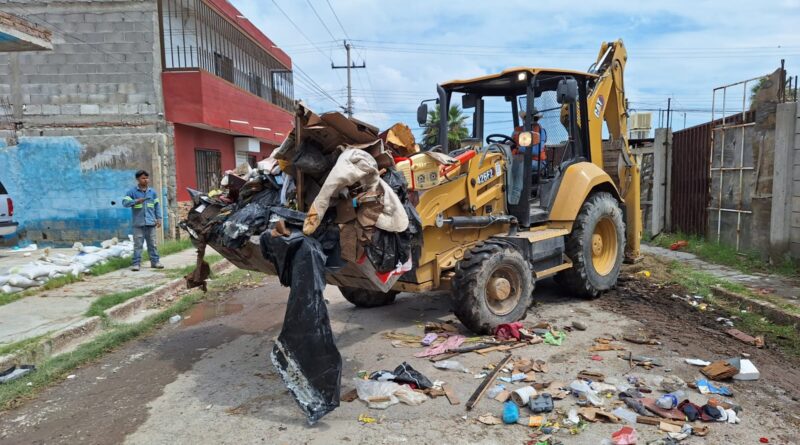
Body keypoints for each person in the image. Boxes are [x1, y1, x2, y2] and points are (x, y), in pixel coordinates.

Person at [122, 170, 164, 271]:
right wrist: (136, 201)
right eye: (143, 178)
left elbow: (157, 206)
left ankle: (155, 262)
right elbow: (124, 203)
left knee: (152, 244)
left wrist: (159, 218)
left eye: (147, 178)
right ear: (138, 179)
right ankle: (136, 264)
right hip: (138, 224)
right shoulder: (132, 192)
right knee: (138, 245)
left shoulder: (152, 192)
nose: (146, 180)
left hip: (151, 223)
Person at [509, 109, 548, 205]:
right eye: (527, 118)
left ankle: (515, 199)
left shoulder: (540, 132)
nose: (531, 120)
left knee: (520, 165)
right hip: (517, 159)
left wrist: (519, 149)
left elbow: (536, 150)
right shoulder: (517, 131)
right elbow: (510, 143)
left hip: (536, 161)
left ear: (536, 119)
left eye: (534, 118)